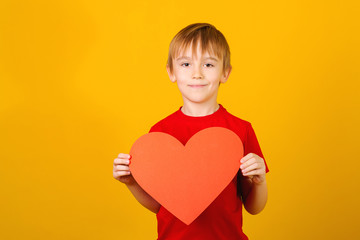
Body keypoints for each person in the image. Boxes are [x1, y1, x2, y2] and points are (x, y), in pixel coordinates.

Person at [113, 23, 269, 240]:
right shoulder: (160, 133)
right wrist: (131, 182)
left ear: (225, 72)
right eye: (186, 64)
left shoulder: (240, 130)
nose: (197, 74)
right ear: (171, 72)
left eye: (208, 64)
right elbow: (160, 205)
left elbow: (254, 206)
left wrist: (260, 181)